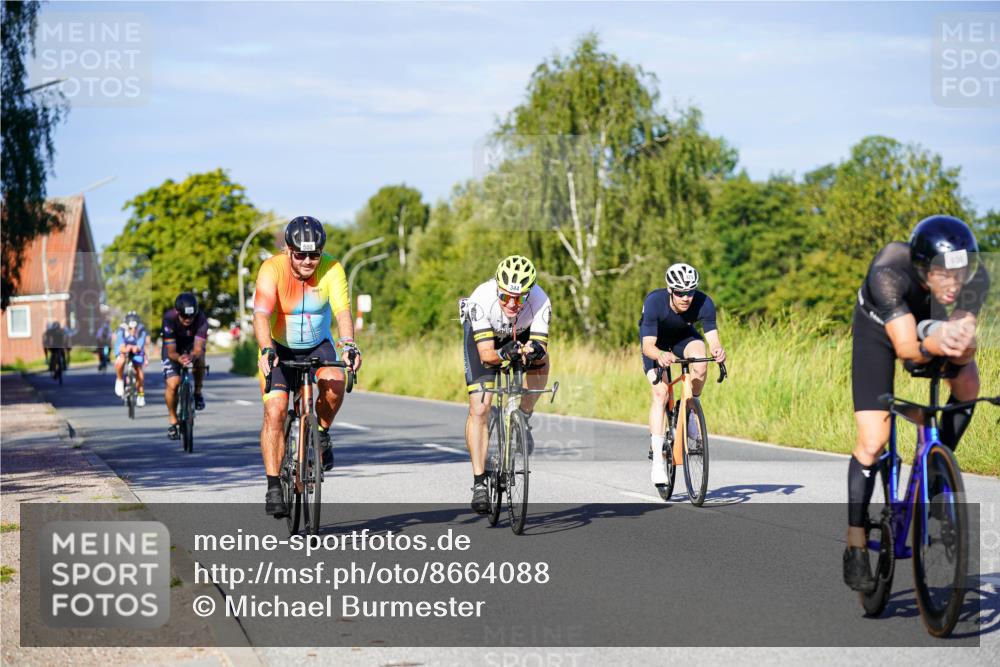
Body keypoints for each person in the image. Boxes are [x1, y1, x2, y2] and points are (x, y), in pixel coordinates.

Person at [843, 214, 989, 592]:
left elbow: (964, 328)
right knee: (873, 440)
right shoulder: (889, 273)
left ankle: (937, 471)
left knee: (969, 381)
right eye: (945, 275)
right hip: (880, 328)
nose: (955, 283)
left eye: (961, 273)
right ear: (923, 267)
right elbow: (909, 351)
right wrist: (935, 343)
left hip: (928, 323)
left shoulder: (976, 277)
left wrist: (957, 342)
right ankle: (856, 543)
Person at [254, 216, 361, 517]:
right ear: (288, 251)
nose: (307, 261)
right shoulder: (271, 269)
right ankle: (274, 484)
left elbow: (342, 312)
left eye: (314, 254)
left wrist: (349, 344)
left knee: (335, 382)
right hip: (279, 344)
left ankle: (322, 433)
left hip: (317, 343)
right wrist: (265, 349)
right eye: (300, 254)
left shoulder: (333, 268)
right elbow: (261, 315)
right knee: (275, 410)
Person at [462, 255, 551, 514]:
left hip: (520, 332)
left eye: (520, 297)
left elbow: (541, 347)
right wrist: (503, 354)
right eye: (506, 297)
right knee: (480, 407)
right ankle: (479, 482)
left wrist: (535, 352)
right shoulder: (481, 298)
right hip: (485, 339)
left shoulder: (541, 301)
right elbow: (487, 355)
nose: (512, 303)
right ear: (497, 289)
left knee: (542, 364)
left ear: (529, 293)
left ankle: (523, 414)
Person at [639, 263, 726, 486]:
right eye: (680, 293)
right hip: (656, 343)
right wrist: (660, 354)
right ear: (670, 290)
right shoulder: (654, 303)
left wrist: (717, 349)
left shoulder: (704, 302)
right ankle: (658, 460)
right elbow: (647, 345)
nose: (686, 298)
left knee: (700, 363)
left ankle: (687, 409)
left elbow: (712, 336)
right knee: (660, 393)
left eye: (690, 292)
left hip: (683, 338)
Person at [161, 292, 209, 440]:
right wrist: (179, 358)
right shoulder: (169, 318)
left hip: (191, 347)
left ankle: (198, 392)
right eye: (184, 316)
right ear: (177, 312)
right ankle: (173, 420)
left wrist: (192, 356)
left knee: (200, 361)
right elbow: (171, 352)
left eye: (191, 317)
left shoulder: (201, 319)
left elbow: (198, 349)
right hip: (173, 349)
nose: (188, 320)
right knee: (173, 383)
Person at [113, 312, 148, 406]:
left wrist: (135, 348)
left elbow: (139, 346)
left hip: (136, 351)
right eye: (130, 328)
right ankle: (119, 380)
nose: (133, 330)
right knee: (121, 361)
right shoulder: (121, 330)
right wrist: (126, 348)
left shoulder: (142, 330)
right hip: (124, 350)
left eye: (135, 328)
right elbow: (121, 346)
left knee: (139, 370)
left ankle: (141, 395)